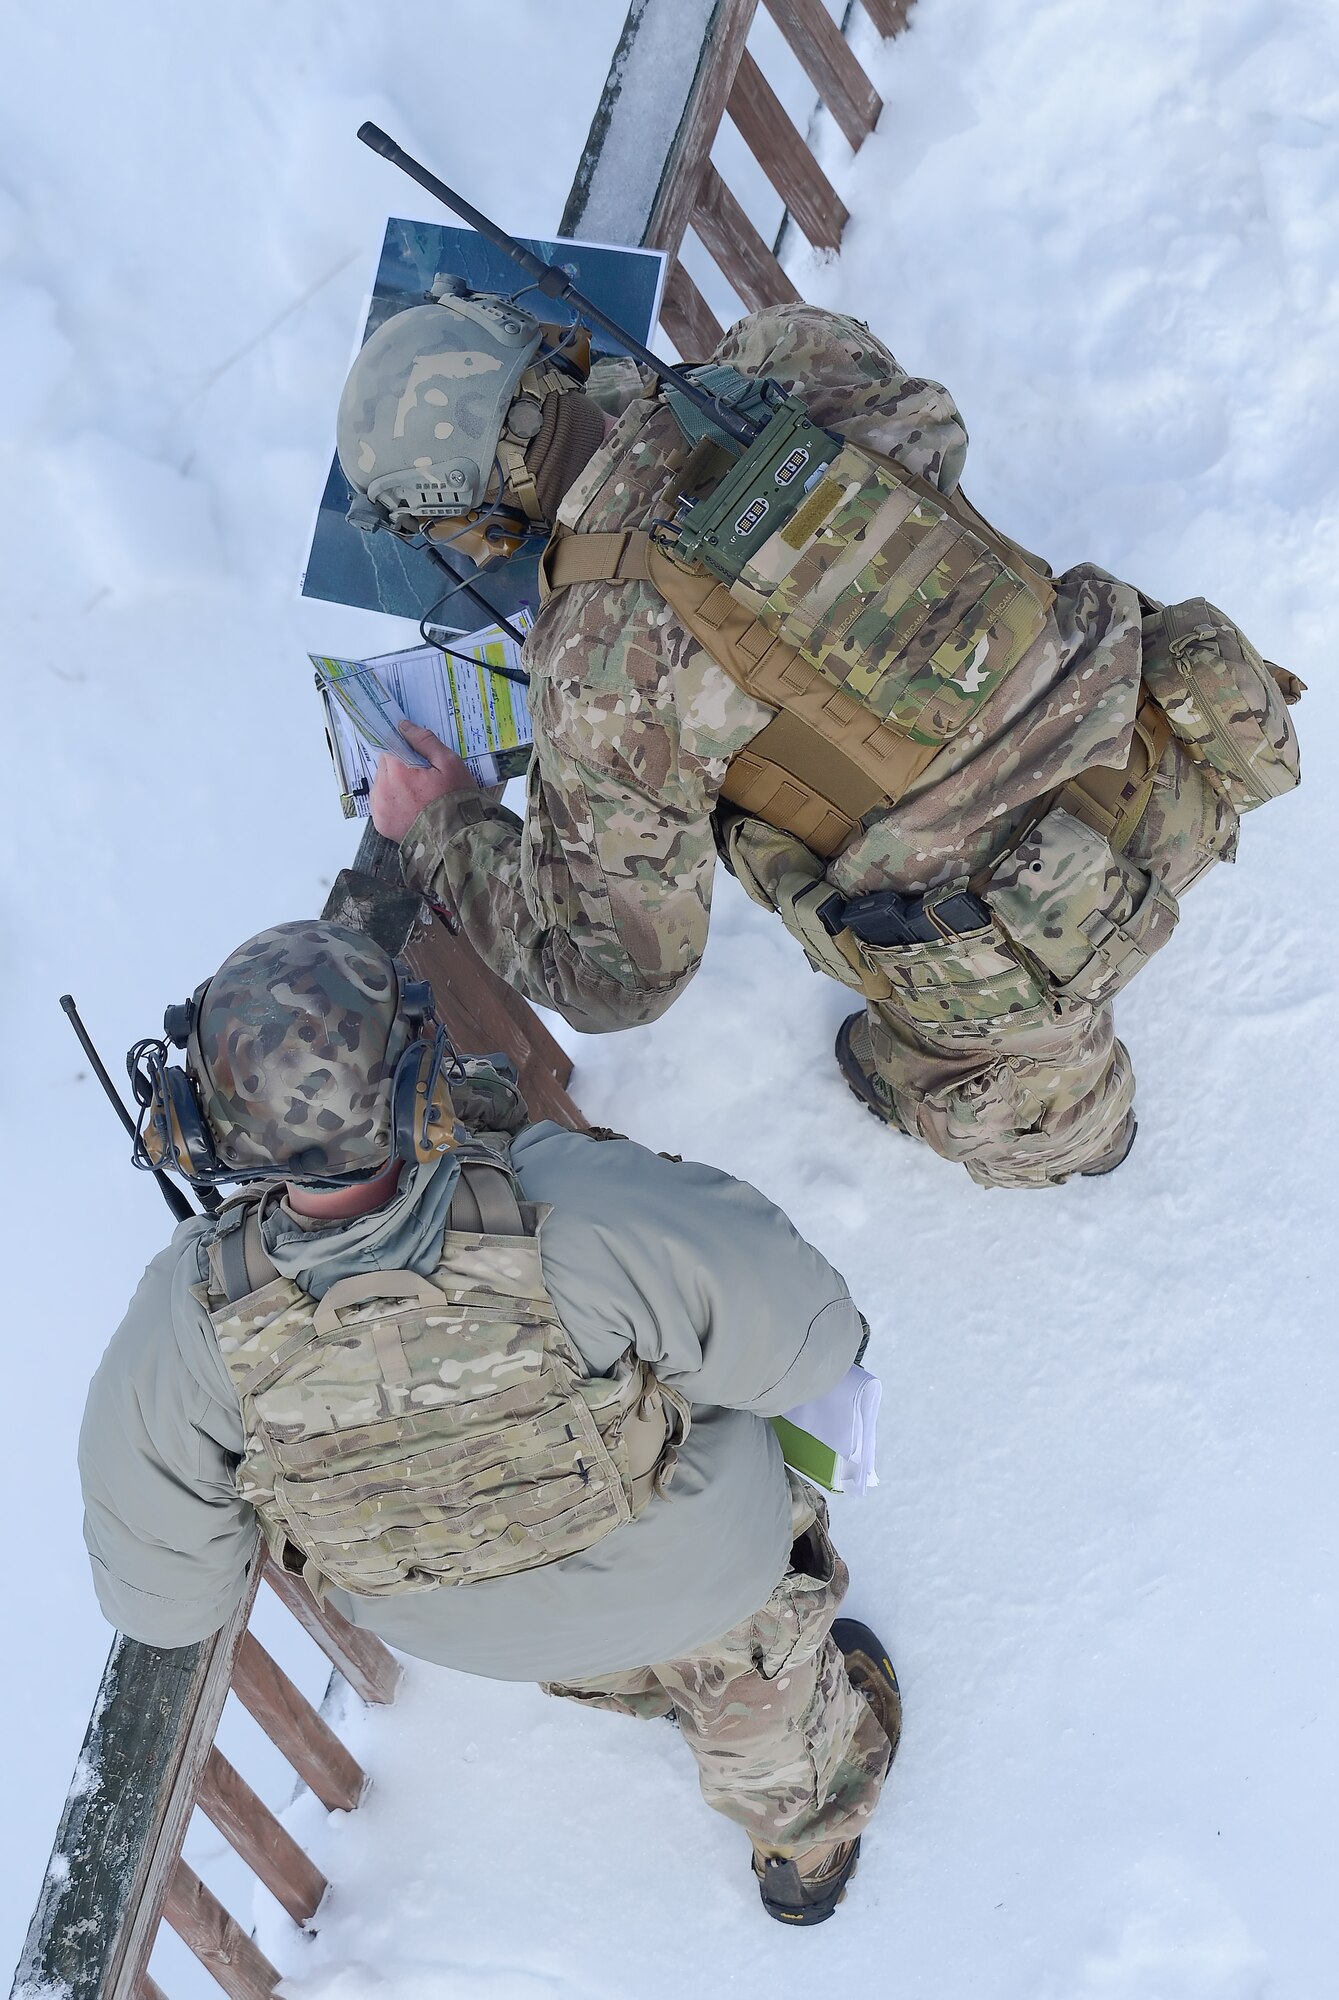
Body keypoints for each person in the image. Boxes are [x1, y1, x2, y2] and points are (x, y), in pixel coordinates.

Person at [338, 288, 1304, 1190]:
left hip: (1022, 935)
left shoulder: (600, 663)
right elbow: (880, 429)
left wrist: (445, 829)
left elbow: (617, 978)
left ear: (464, 517)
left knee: (1019, 1115)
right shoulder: (787, 358)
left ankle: (1069, 1121)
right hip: (1169, 752)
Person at [79, 921, 898, 1926]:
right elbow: (813, 1344)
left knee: (609, 1635)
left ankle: (636, 1685)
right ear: (417, 1062)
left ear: (204, 1120)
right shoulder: (574, 1207)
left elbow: (166, 1604)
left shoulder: (188, 1323)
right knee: (757, 1685)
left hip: (473, 1631)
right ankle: (801, 1840)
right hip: (701, 1581)